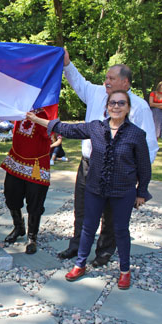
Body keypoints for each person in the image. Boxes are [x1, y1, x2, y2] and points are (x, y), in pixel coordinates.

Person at [27, 90, 151, 289]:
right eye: (112, 103)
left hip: (123, 191)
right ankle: (80, 264)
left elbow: (144, 166)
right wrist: (37, 119)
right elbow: (66, 129)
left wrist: (142, 192)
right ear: (107, 106)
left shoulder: (136, 134)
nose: (116, 106)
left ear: (128, 108)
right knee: (88, 227)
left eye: (121, 103)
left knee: (120, 231)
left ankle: (125, 271)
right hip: (95, 188)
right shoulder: (96, 128)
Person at [57, 49, 158, 267]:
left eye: (111, 78)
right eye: (106, 77)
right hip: (88, 166)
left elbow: (149, 146)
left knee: (111, 215)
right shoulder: (96, 93)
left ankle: (104, 251)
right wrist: (67, 63)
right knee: (82, 208)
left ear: (126, 83)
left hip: (119, 171)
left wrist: (140, 179)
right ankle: (77, 246)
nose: (106, 82)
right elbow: (78, 82)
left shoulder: (139, 107)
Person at [0, 106, 56, 254]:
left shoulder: (49, 109)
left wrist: (38, 117)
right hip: (16, 159)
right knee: (10, 195)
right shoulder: (20, 103)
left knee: (35, 201)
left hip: (37, 163)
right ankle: (19, 227)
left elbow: (51, 129)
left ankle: (32, 237)